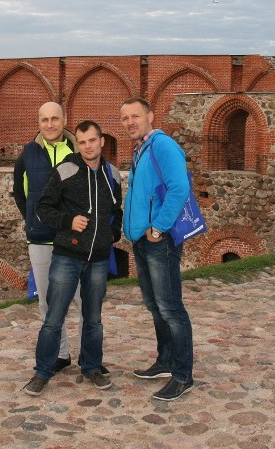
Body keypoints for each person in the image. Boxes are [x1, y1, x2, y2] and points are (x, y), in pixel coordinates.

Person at [22, 120, 123, 396]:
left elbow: (117, 210)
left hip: (99, 259)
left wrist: (111, 235)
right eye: (82, 142)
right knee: (54, 316)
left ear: (102, 141)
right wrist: (68, 220)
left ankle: (91, 366)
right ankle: (42, 372)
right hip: (67, 256)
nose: (88, 146)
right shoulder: (65, 169)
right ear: (77, 144)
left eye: (92, 140)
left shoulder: (112, 173)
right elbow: (43, 207)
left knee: (93, 318)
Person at [120, 96, 195, 401]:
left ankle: (182, 375)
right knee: (154, 306)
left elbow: (179, 188)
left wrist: (159, 227)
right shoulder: (142, 149)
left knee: (171, 308)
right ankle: (165, 361)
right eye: (124, 118)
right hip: (142, 240)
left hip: (158, 242)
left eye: (135, 116)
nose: (130, 123)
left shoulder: (163, 146)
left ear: (150, 115)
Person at [12, 101, 80, 374]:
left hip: (74, 239)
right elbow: (20, 192)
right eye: (44, 120)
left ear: (64, 120)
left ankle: (89, 357)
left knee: (82, 299)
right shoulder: (28, 154)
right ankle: (60, 354)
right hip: (40, 240)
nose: (50, 125)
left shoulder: (78, 151)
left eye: (55, 119)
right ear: (38, 122)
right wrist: (33, 220)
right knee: (47, 302)